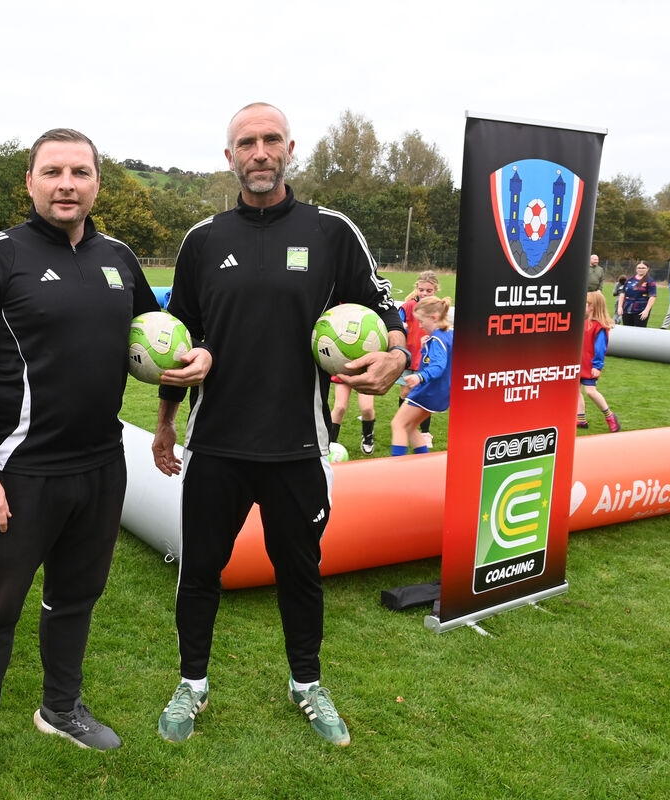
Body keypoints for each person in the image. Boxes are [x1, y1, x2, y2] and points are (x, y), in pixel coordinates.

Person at [151, 102, 407, 748]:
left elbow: (387, 309)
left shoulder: (331, 232)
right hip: (215, 446)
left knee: (300, 573)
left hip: (299, 446)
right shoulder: (204, 240)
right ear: (229, 156)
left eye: (270, 140)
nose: (259, 152)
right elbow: (177, 343)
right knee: (200, 571)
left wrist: (397, 358)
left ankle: (306, 684)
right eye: (246, 143)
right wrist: (163, 425)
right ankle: (192, 683)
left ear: (290, 148)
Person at [0, 128, 159, 800]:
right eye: (53, 171)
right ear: (29, 182)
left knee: (75, 600)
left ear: (98, 183)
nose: (68, 183)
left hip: (100, 468)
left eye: (81, 171)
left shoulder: (120, 257)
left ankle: (60, 710)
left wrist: (193, 361)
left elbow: (158, 336)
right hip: (18, 475)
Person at [390, 296, 453, 455]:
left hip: (428, 390)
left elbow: (438, 366)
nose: (419, 325)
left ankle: (396, 469)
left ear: (434, 317)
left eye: (421, 321)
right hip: (442, 392)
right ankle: (422, 462)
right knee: (410, 427)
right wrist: (426, 347)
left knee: (398, 424)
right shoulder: (449, 333)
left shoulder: (438, 339)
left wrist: (419, 377)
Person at [398, 271, 439, 447]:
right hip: (409, 357)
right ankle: (405, 426)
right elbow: (397, 325)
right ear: (417, 288)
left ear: (435, 290)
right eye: (421, 289)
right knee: (405, 393)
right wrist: (402, 327)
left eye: (429, 291)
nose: (424, 293)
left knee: (425, 395)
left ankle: (426, 433)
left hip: (428, 359)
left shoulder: (438, 307)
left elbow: (443, 329)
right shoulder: (407, 306)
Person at [577, 291, 619, 432]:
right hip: (578, 363)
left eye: (585, 304)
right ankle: (581, 419)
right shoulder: (582, 323)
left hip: (590, 365)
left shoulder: (600, 327)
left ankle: (610, 416)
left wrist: (597, 365)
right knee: (575, 391)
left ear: (593, 307)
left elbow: (600, 348)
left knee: (590, 391)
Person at [329, 376, 375, 454]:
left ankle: (368, 437)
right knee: (340, 407)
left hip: (363, 373)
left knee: (367, 409)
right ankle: (330, 441)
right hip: (344, 371)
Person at [617, 261, 656, 327]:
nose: (641, 269)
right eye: (639, 268)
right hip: (627, 310)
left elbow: (652, 297)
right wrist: (620, 307)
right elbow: (622, 294)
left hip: (641, 311)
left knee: (639, 333)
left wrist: (646, 310)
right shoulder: (629, 280)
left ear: (647, 269)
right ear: (636, 269)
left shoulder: (650, 281)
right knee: (627, 331)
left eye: (643, 268)